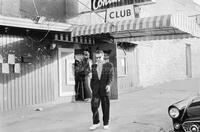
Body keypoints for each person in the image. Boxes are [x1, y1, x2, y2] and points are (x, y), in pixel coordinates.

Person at [89, 50, 114, 130]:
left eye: (100, 57)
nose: (98, 59)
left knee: (105, 107)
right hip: (96, 90)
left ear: (103, 56)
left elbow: (111, 76)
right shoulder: (93, 66)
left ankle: (106, 123)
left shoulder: (109, 65)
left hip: (104, 89)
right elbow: (92, 79)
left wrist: (108, 85)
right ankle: (96, 122)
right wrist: (92, 88)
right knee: (94, 106)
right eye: (97, 58)